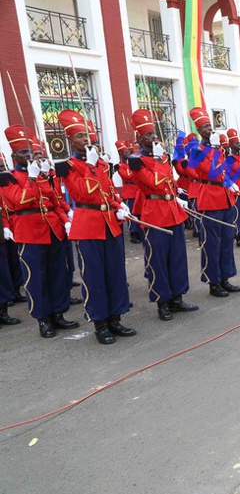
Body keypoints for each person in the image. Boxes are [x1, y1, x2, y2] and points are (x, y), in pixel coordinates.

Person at [55, 110, 135, 345]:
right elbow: (81, 192)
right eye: (81, 135)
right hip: (88, 224)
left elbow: (108, 191)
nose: (87, 139)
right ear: (71, 140)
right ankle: (100, 323)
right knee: (95, 276)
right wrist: (89, 167)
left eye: (88, 134)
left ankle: (116, 318)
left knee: (116, 274)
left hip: (110, 224)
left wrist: (119, 205)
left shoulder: (101, 163)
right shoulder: (68, 166)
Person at [0, 126, 75, 336]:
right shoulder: (9, 177)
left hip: (53, 229)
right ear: (15, 155)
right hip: (30, 232)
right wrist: (32, 180)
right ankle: (43, 319)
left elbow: (54, 202)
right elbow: (19, 201)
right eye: (25, 153)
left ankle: (58, 314)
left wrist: (65, 219)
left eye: (31, 152)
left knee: (57, 273)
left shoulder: (43, 175)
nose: (30, 156)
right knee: (36, 277)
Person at [126, 108, 199, 321]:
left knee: (177, 257)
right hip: (154, 213)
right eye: (148, 135)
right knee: (157, 259)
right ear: (139, 138)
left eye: (153, 134)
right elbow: (154, 183)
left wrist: (178, 196)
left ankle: (177, 297)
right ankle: (162, 301)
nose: (153, 138)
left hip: (172, 211)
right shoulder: (136, 160)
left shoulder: (162, 156)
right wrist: (159, 161)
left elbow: (169, 182)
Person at [186, 107, 240, 296]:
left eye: (210, 126)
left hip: (224, 197)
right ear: (199, 130)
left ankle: (225, 277)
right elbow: (211, 171)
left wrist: (231, 182)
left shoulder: (215, 148)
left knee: (226, 240)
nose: (210, 130)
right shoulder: (196, 150)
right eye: (205, 127)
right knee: (212, 243)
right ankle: (213, 281)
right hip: (209, 198)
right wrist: (215, 149)